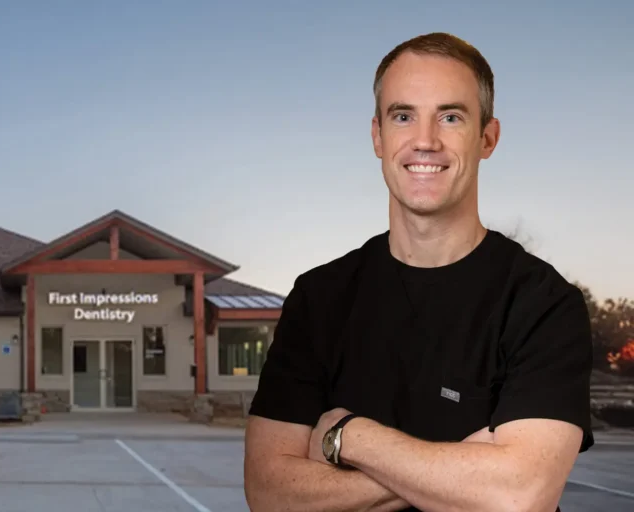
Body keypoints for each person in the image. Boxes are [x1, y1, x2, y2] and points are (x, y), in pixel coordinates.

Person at [243, 32, 594, 512]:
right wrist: (462, 467)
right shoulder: (318, 298)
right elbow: (269, 493)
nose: (425, 141)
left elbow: (518, 495)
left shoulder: (543, 303)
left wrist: (349, 437)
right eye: (403, 116)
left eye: (451, 117)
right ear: (377, 136)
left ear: (487, 138)